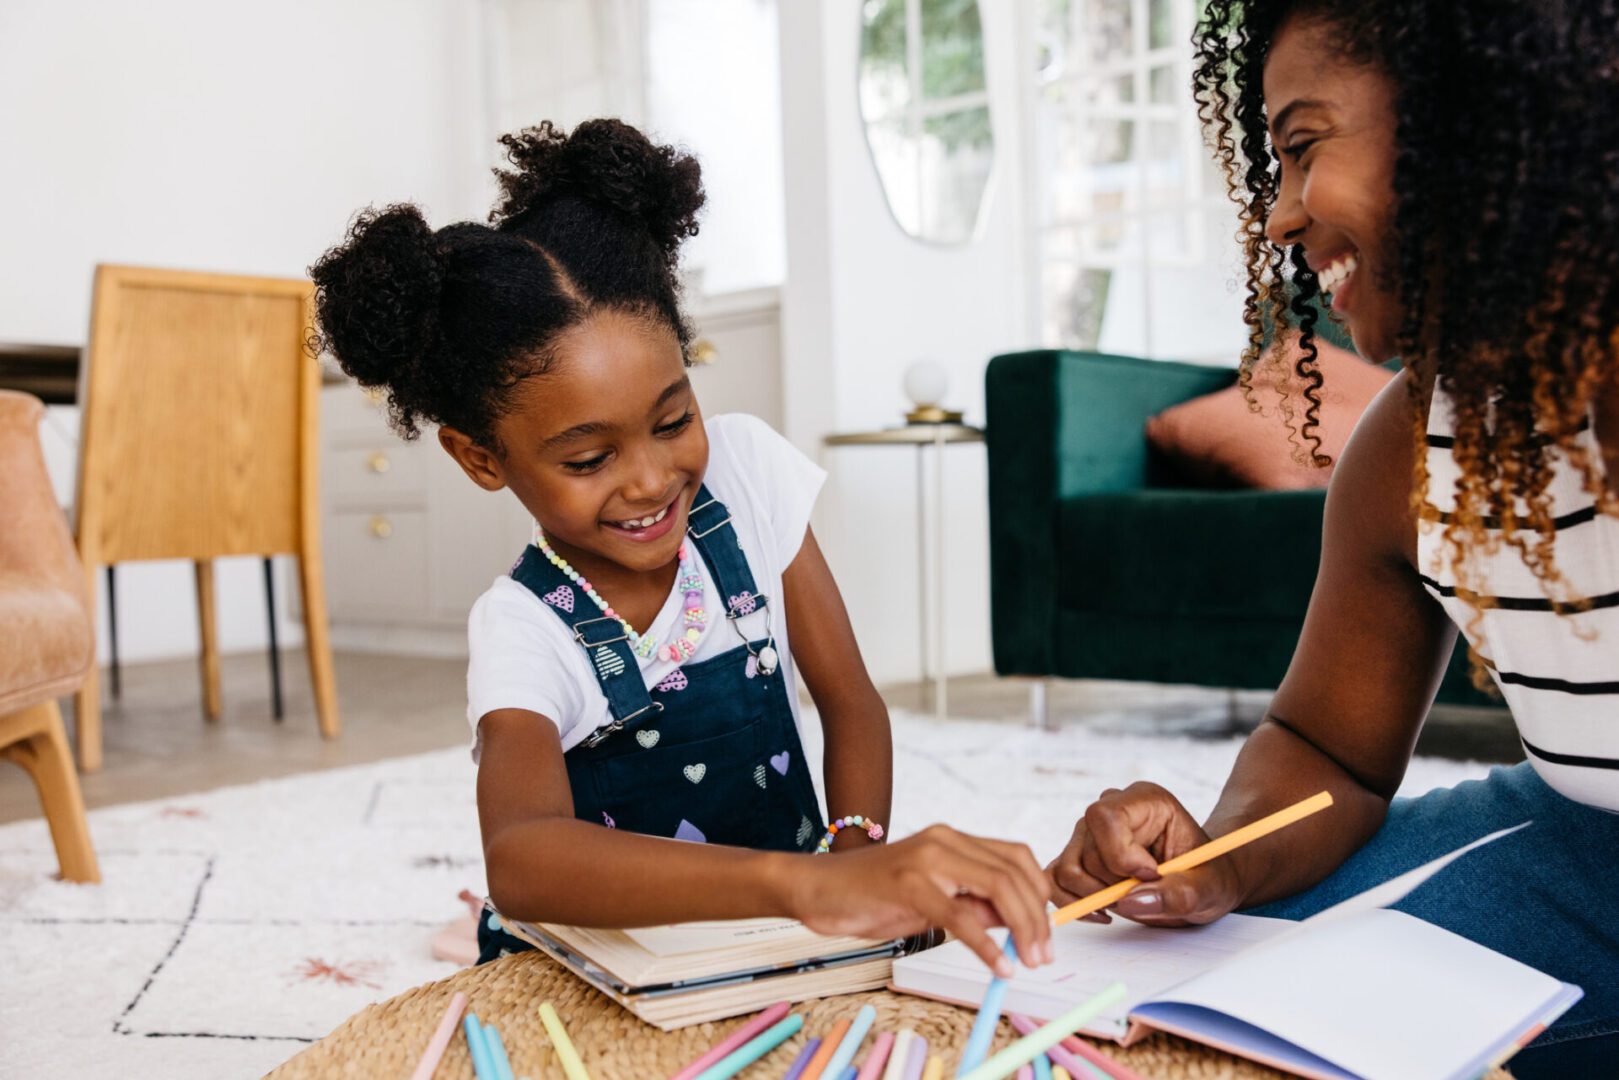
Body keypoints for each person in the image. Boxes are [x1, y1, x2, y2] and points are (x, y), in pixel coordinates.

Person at [309, 119, 1052, 975]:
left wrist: (852, 860)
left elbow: (849, 701)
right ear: (481, 457)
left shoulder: (746, 473)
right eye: (589, 459)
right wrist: (800, 887)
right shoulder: (522, 624)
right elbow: (521, 856)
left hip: (788, 928)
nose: (650, 479)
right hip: (631, 964)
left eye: (673, 421)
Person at [1045, 2, 1619, 1074]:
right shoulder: (1408, 443)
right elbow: (1328, 753)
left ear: (1477, 118)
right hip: (1574, 838)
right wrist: (1219, 861)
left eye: (1302, 148)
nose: (1278, 217)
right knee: (1225, 979)